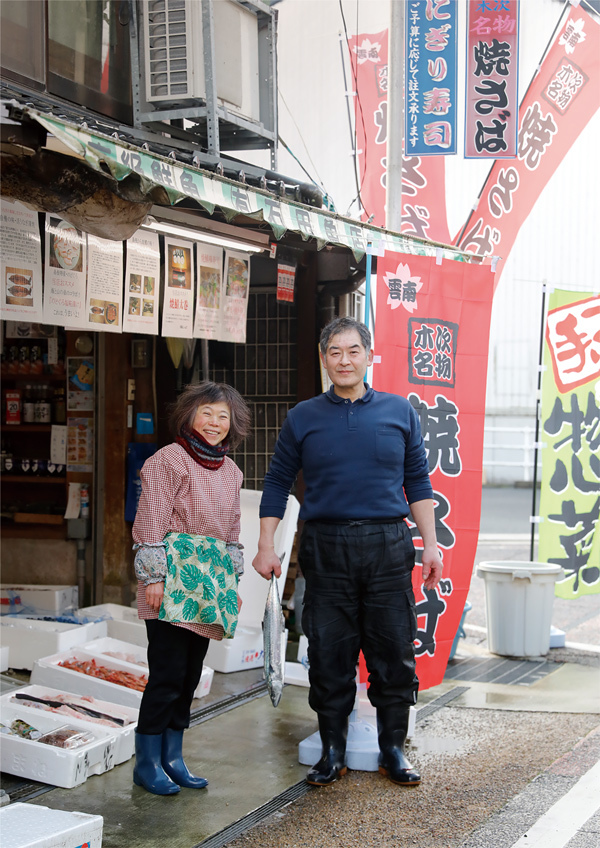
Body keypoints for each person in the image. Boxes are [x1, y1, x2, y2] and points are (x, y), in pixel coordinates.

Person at [252, 316, 442, 788]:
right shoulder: (303, 416)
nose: (344, 360)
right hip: (326, 546)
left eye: (353, 350)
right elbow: (277, 482)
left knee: (393, 649)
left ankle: (392, 748)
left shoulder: (400, 412)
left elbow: (417, 481)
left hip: (387, 545)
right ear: (324, 359)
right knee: (329, 651)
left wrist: (431, 545)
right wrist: (265, 545)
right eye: (334, 352)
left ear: (369, 355)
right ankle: (331, 751)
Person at [132, 381, 250, 795]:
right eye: (207, 413)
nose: (215, 423)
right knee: (166, 674)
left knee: (190, 676)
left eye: (223, 416)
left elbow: (234, 530)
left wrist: (231, 583)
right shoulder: (170, 460)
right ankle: (146, 763)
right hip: (171, 580)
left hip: (210, 583)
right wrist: (153, 578)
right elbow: (151, 519)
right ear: (189, 415)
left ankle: (173, 757)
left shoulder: (232, 471)